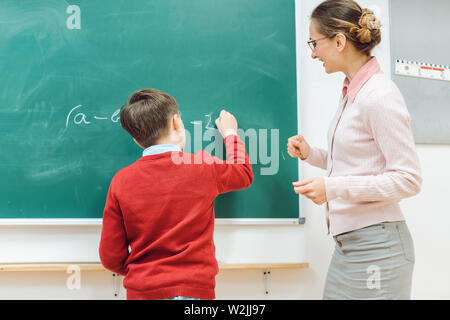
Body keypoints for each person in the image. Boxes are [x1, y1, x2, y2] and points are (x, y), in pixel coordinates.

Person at [287, 0, 422, 299]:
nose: (312, 53)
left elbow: (408, 179)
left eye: (314, 43)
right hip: (350, 245)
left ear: (339, 41)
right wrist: (311, 153)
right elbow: (359, 162)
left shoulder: (378, 96)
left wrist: (332, 189)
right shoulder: (352, 92)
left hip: (379, 248)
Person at [99, 88, 253, 300]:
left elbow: (110, 256)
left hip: (143, 290)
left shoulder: (121, 181)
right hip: (194, 289)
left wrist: (144, 273)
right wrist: (230, 134)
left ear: (136, 139)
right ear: (176, 122)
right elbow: (243, 173)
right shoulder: (202, 166)